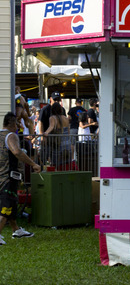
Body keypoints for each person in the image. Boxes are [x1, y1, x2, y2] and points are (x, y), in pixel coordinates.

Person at [0, 112, 41, 245]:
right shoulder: (11, 136)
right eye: (18, 123)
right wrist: (33, 164)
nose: (19, 125)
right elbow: (17, 152)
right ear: (12, 123)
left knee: (12, 203)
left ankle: (16, 230)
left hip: (1, 176)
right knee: (7, 205)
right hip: (8, 176)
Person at [42, 101, 69, 167]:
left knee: (56, 161)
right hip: (66, 141)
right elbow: (68, 130)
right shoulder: (65, 118)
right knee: (65, 162)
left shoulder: (52, 118)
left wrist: (45, 133)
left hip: (57, 142)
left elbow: (51, 126)